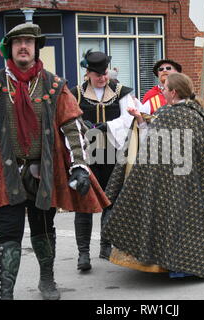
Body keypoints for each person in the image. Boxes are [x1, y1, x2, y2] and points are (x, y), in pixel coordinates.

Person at [0, 23, 110, 300]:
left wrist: (80, 165)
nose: (24, 46)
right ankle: (6, 293)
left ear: (36, 48)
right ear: (9, 47)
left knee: (44, 230)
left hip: (42, 173)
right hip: (2, 173)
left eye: (29, 42)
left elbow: (72, 127)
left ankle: (47, 279)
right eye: (18, 41)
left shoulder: (54, 84)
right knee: (8, 235)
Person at [102, 73, 204, 279]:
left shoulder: (173, 114)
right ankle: (188, 263)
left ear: (174, 92)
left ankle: (176, 263)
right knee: (192, 220)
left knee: (176, 219)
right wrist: (141, 120)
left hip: (174, 181)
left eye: (165, 88)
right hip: (198, 181)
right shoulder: (197, 112)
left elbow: (155, 146)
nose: (162, 90)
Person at [70, 50, 135, 272]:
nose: (102, 78)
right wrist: (83, 125)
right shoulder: (75, 94)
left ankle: (105, 245)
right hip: (86, 155)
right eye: (97, 74)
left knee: (110, 201)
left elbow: (129, 118)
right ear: (87, 73)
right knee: (84, 202)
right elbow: (68, 119)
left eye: (104, 73)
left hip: (112, 154)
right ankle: (83, 254)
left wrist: (108, 126)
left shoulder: (121, 92)